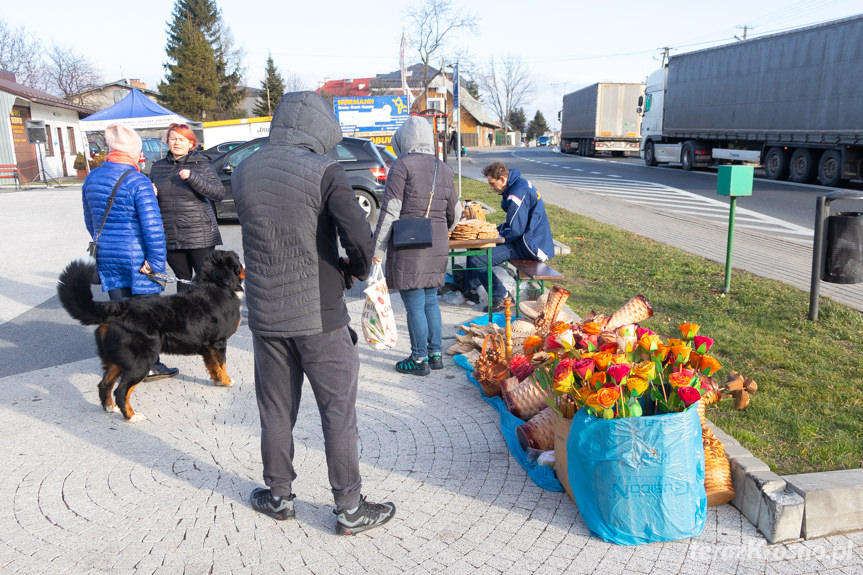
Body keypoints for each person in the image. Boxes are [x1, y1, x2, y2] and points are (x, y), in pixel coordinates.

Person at [232, 91, 395, 535]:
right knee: (337, 410)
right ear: (321, 127)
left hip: (266, 314)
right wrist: (355, 271)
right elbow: (359, 239)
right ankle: (349, 508)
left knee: (275, 410)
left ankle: (279, 496)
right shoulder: (326, 170)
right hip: (319, 314)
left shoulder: (243, 171)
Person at [81, 123, 177, 380]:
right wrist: (156, 265)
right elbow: (153, 229)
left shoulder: (91, 178)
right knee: (148, 316)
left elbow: (91, 222)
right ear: (133, 151)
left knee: (121, 313)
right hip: (138, 259)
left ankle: (126, 362)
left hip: (108, 256)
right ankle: (150, 363)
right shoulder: (138, 181)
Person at [372, 117, 459, 376]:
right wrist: (443, 232)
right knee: (431, 300)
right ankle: (435, 355)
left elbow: (391, 211)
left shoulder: (401, 166)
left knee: (414, 305)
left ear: (403, 139)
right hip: (436, 243)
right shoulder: (442, 167)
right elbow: (454, 212)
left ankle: (418, 359)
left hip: (409, 245)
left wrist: (377, 249)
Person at [464, 162, 555, 312]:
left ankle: (500, 296)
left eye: (492, 184)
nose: (492, 188)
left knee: (478, 259)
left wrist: (493, 238)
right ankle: (471, 289)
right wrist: (491, 232)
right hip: (524, 239)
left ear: (502, 179)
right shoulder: (517, 184)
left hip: (530, 245)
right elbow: (514, 225)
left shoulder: (516, 194)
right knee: (474, 246)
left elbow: (515, 230)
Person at [148, 123, 224, 291]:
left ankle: (208, 316)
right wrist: (150, 194)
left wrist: (193, 178)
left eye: (182, 139)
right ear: (167, 141)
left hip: (199, 235)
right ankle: (185, 316)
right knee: (182, 280)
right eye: (173, 138)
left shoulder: (202, 165)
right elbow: (149, 203)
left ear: (191, 144)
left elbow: (218, 193)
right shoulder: (158, 167)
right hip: (171, 235)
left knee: (205, 281)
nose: (177, 143)